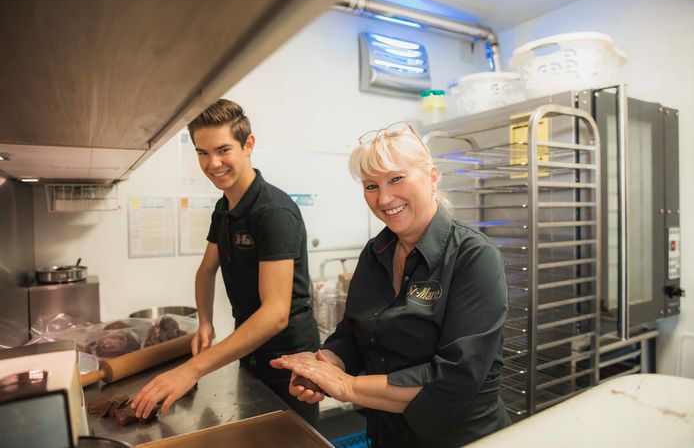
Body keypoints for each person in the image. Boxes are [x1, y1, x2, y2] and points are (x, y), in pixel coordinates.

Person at [271, 121, 511, 447]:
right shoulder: (376, 252)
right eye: (370, 186)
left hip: (460, 438)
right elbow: (353, 335)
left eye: (396, 179)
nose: (384, 199)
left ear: (432, 176)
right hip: (388, 435)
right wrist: (322, 366)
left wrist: (347, 387)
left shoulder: (473, 257)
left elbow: (455, 377)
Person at [131, 99, 320, 426]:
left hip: (289, 360)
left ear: (248, 145)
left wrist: (191, 370)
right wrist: (205, 322)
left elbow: (275, 315)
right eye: (202, 153)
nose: (212, 163)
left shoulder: (273, 212)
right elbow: (206, 270)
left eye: (223, 150)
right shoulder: (225, 207)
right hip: (249, 348)